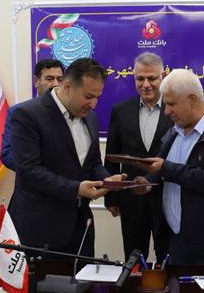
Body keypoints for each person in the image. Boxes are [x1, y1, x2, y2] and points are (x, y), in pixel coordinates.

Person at [131, 69, 204, 266]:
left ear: (192, 100)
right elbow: (162, 170)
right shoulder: (173, 133)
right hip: (176, 244)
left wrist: (165, 168)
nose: (166, 111)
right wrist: (148, 183)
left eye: (171, 104)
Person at [9, 58, 123, 257]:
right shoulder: (27, 114)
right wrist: (76, 189)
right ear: (68, 86)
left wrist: (107, 180)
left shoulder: (90, 117)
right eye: (88, 96)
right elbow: (29, 170)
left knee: (84, 278)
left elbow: (92, 163)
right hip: (41, 230)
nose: (93, 104)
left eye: (97, 97)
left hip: (81, 228)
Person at [104, 52, 173, 263]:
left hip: (167, 198)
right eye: (140, 79)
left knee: (168, 258)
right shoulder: (120, 111)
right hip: (131, 200)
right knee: (134, 259)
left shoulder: (175, 110)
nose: (146, 85)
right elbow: (111, 157)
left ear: (163, 76)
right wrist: (111, 197)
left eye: (152, 78)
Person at [0, 59, 64, 171]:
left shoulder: (71, 113)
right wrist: (37, 171)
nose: (55, 84)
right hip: (32, 179)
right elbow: (7, 154)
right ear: (36, 81)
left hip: (67, 181)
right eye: (49, 79)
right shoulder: (18, 112)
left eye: (60, 79)